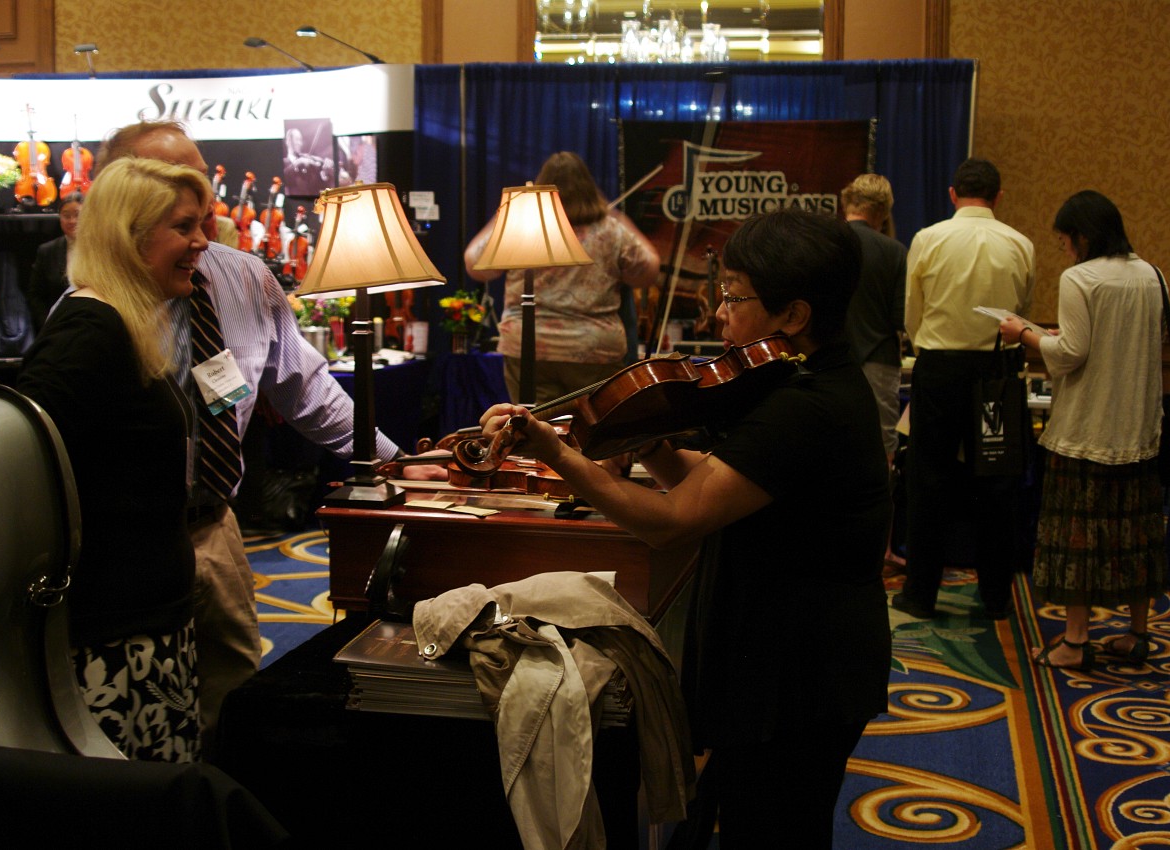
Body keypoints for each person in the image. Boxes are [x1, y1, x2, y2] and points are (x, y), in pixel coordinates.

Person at [478, 208, 892, 847]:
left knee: (777, 829)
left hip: (804, 672)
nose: (719, 315)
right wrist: (648, 440)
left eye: (734, 297)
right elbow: (719, 481)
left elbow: (674, 522)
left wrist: (559, 454)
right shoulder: (809, 381)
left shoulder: (809, 407)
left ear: (794, 316)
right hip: (789, 655)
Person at [93, 119, 441, 752]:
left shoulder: (242, 277)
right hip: (127, 542)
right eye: (170, 188)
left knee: (233, 695)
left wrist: (391, 462)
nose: (193, 203)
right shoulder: (94, 301)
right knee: (135, 706)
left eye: (197, 182)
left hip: (215, 525)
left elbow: (305, 387)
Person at [17, 156, 211, 762]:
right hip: (112, 640)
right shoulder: (89, 329)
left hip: (143, 627)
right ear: (130, 237)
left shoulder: (120, 324)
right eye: (184, 227)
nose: (202, 242)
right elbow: (18, 462)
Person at [998, 191, 1166, 669]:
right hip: (1138, 427)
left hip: (1089, 428)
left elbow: (1071, 354)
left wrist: (1025, 334)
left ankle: (1074, 640)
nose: (1065, 250)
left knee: (1078, 535)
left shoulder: (1082, 278)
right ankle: (1137, 633)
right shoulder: (1153, 275)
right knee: (1136, 536)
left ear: (1083, 236)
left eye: (1064, 241)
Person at [894, 158, 1035, 621]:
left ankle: (920, 593)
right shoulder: (1021, 244)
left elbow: (912, 312)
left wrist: (928, 347)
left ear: (952, 194)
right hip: (997, 370)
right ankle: (995, 597)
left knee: (927, 480)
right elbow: (1022, 310)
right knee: (996, 482)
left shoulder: (928, 238)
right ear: (999, 197)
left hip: (938, 369)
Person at [464, 151, 660, 405]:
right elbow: (647, 272)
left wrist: (505, 213)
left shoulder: (522, 224)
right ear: (589, 187)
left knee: (537, 429)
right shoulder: (610, 229)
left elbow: (475, 264)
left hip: (528, 348)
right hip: (594, 350)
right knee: (595, 433)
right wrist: (620, 220)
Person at [841, 173, 908, 573]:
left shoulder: (826, 244)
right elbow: (902, 318)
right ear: (882, 210)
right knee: (882, 455)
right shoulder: (894, 251)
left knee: (832, 449)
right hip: (880, 361)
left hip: (829, 361)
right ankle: (880, 550)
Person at [27, 191, 83, 331]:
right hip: (56, 328)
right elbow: (35, 295)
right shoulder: (47, 251)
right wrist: (48, 324)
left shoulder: (101, 249)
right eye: (66, 216)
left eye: (77, 214)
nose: (72, 221)